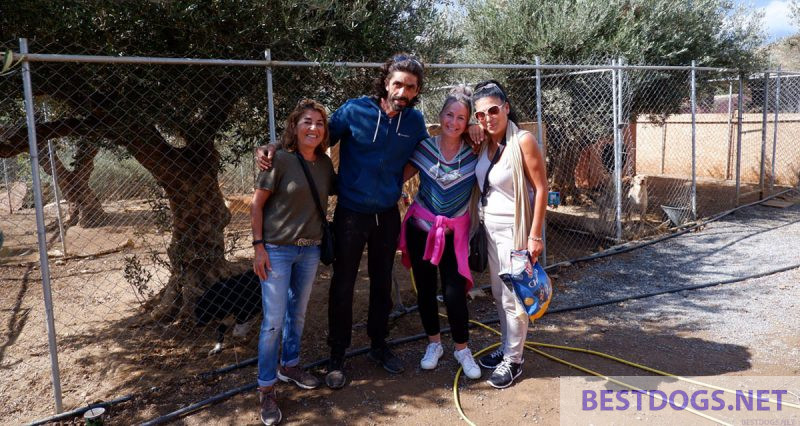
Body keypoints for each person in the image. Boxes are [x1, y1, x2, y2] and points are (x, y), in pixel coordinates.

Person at [256, 54, 428, 389]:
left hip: (387, 215)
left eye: (410, 86)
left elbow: (422, 156)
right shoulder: (355, 110)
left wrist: (397, 182)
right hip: (351, 213)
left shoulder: (414, 122)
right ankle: (338, 355)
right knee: (343, 285)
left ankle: (379, 346)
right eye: (398, 83)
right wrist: (272, 148)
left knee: (381, 283)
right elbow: (315, 139)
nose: (402, 91)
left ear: (416, 90)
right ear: (386, 81)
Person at [251, 99, 336, 425]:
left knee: (297, 315)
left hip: (310, 250)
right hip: (277, 251)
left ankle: (290, 365)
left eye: (319, 123)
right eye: (307, 122)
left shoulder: (325, 165)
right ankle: (266, 388)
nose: (313, 128)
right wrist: (259, 247)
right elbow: (257, 206)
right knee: (272, 321)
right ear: (295, 127)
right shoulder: (280, 160)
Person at [397, 85, 481, 379]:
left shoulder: (475, 152)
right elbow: (398, 175)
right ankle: (434, 344)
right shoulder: (425, 147)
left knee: (455, 292)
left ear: (468, 121)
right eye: (449, 114)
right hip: (421, 228)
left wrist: (477, 128)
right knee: (425, 290)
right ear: (440, 115)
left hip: (455, 234)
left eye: (461, 117)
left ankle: (462, 348)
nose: (453, 122)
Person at [470, 80, 548, 389]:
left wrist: (535, 235)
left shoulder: (523, 140)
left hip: (516, 230)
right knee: (501, 295)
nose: (488, 118)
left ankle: (514, 361)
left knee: (516, 297)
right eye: (480, 114)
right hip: (490, 230)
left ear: (506, 108)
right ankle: (507, 348)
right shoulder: (485, 143)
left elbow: (541, 188)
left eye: (493, 110)